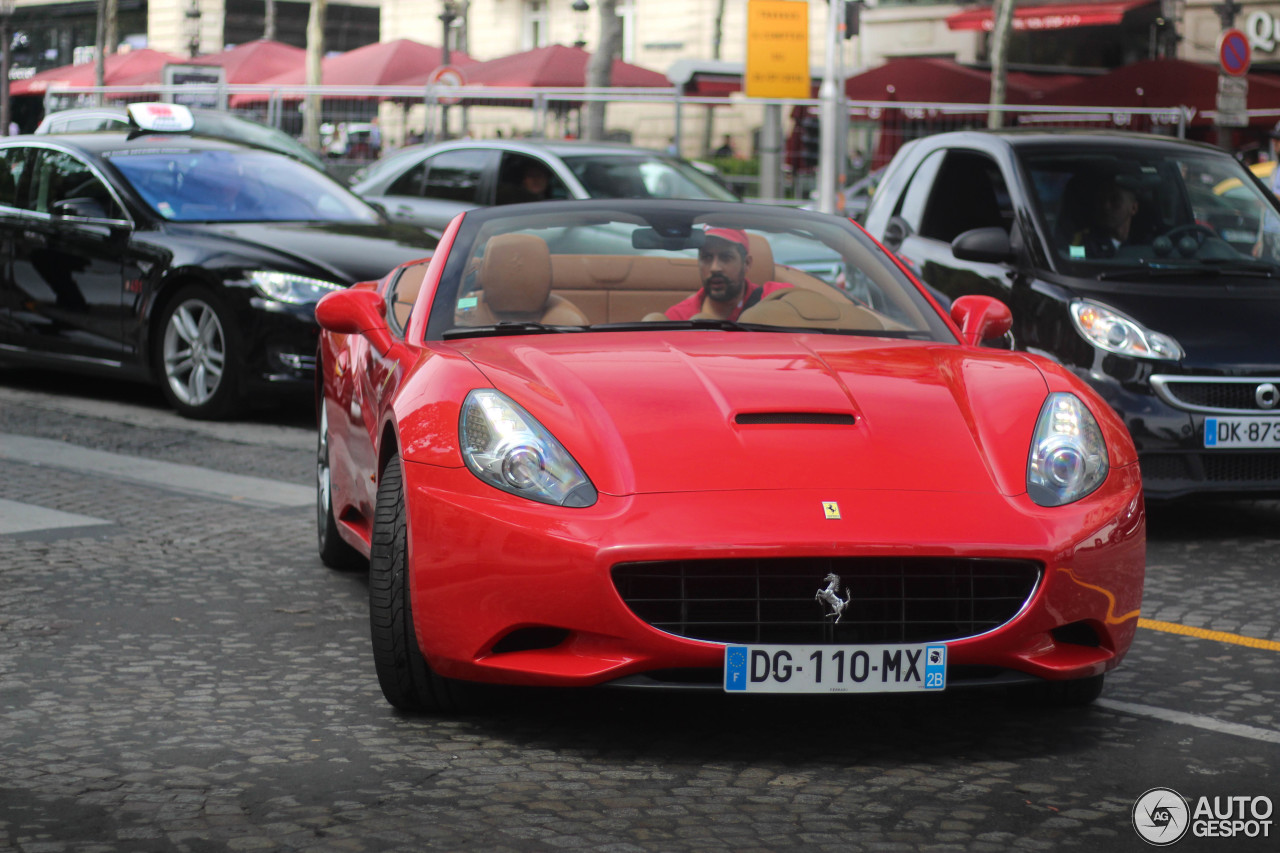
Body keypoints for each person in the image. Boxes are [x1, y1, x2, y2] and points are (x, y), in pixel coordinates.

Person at [664, 227, 790, 321]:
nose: (715, 268)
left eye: (726, 257)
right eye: (707, 257)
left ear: (746, 263)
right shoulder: (678, 318)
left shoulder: (776, 297)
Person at [1071, 174, 1140, 258]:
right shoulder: (1081, 241)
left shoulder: (1146, 243)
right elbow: (1075, 264)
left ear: (1133, 208)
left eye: (1115, 200)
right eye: (1102, 199)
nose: (1106, 206)